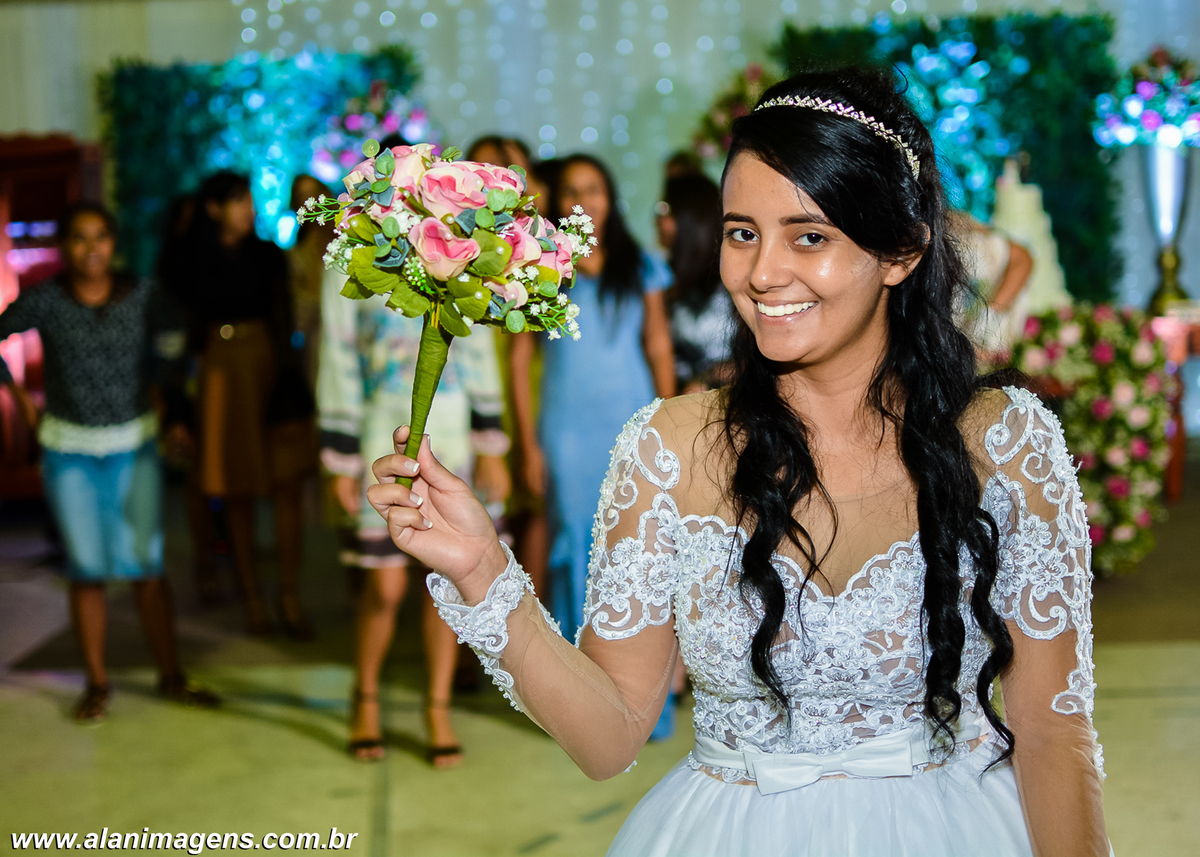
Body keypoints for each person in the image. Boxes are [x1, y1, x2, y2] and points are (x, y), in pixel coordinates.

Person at [366, 66, 1109, 856]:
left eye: (809, 236)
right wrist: (484, 570)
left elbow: (1052, 733)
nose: (761, 273)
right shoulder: (669, 449)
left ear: (900, 252)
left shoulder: (1004, 443)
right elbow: (609, 737)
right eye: (742, 232)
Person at [319, 135, 511, 764]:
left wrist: (492, 444)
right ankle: (366, 697)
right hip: (381, 435)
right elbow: (338, 357)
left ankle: (437, 708)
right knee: (383, 590)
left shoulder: (458, 243)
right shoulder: (352, 254)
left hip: (452, 439)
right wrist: (338, 457)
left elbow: (477, 347)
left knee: (449, 585)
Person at [0, 202, 218, 722]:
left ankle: (171, 675)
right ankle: (96, 684)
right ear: (64, 246)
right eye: (79, 237)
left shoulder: (142, 293)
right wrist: (21, 400)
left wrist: (165, 395)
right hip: (67, 451)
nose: (91, 248)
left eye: (100, 236)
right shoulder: (47, 299)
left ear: (113, 243)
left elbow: (175, 336)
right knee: (87, 570)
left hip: (133, 444)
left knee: (146, 566)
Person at [510, 153, 676, 643]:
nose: (584, 200)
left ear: (610, 198)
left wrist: (670, 424)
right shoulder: (541, 267)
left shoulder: (639, 264)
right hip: (565, 427)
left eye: (594, 189)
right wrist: (529, 445)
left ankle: (636, 667)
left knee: (637, 538)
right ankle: (579, 667)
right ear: (557, 202)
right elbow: (519, 362)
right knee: (574, 534)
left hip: (631, 417)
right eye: (572, 191)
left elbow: (658, 345)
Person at [160, 172, 314, 638]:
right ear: (214, 209)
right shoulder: (190, 260)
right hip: (219, 372)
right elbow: (178, 337)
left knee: (287, 484)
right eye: (238, 200)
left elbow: (284, 319)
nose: (250, 207)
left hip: (269, 367)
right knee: (235, 489)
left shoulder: (267, 255)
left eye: (249, 198)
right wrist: (177, 406)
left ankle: (290, 594)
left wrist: (289, 383)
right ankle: (252, 597)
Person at [656, 172, 734, 392]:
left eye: (664, 210)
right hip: (673, 399)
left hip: (729, 398)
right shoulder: (660, 276)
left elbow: (760, 362)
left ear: (690, 218)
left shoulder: (730, 280)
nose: (657, 219)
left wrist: (707, 379)